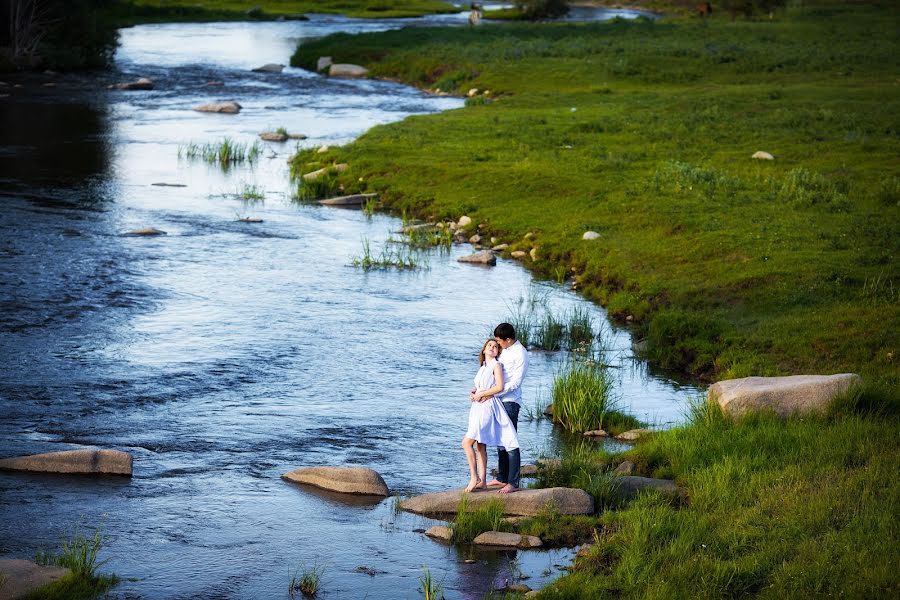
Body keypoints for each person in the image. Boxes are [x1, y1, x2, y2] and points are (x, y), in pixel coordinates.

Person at [461, 338, 520, 493]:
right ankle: (483, 481)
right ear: (484, 350)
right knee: (480, 445)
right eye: (490, 345)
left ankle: (474, 477)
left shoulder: (496, 365)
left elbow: (499, 387)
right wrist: (474, 392)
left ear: (498, 351)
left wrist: (483, 394)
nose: (493, 348)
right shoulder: (483, 366)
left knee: (466, 443)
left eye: (495, 346)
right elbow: (481, 385)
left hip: (487, 407)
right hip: (477, 407)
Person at [486, 322, 528, 494]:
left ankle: (513, 482)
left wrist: (495, 392)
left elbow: (516, 382)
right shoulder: (506, 352)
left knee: (510, 441)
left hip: (510, 401)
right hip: (498, 400)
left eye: (500, 341)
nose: (498, 344)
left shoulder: (521, 353)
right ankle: (502, 477)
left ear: (509, 340)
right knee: (500, 441)